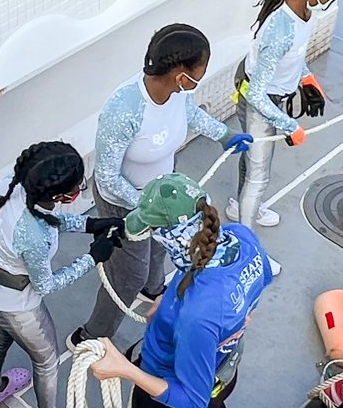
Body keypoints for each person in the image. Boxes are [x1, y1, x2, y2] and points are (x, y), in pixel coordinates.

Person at [87, 176, 278, 408]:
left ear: (172, 237)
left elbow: (189, 400)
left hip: (171, 405)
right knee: (211, 407)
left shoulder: (197, 314)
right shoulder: (241, 237)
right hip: (224, 372)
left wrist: (123, 368)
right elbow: (264, 279)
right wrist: (180, 303)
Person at [75, 24, 251, 344]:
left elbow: (192, 115)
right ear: (180, 74)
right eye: (200, 71)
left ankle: (153, 289)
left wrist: (225, 136)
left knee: (159, 249)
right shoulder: (124, 109)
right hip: (125, 201)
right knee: (127, 276)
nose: (201, 77)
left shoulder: (178, 92)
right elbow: (106, 177)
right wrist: (150, 208)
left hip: (164, 189)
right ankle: (91, 336)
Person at [0, 141, 123, 408]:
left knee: (0, 334)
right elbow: (47, 284)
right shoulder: (33, 237)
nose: (81, 190)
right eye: (79, 188)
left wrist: (90, 224)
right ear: (59, 195)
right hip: (17, 305)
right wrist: (93, 257)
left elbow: (46, 218)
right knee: (46, 361)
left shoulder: (13, 185)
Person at [231, 0, 341, 226]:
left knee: (251, 161)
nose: (330, 0)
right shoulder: (280, 31)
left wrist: (305, 78)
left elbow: (294, 55)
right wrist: (289, 125)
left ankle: (242, 208)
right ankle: (247, 244)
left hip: (273, 93)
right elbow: (256, 94)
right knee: (259, 175)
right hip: (260, 100)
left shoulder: (303, 10)